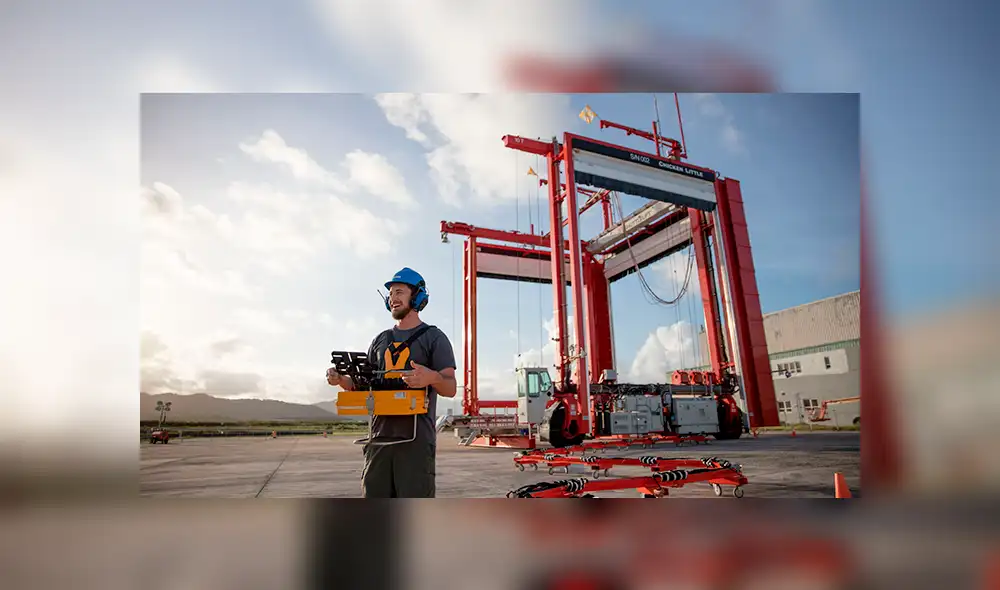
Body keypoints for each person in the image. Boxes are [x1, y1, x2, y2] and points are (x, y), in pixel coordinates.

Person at [326, 267, 457, 498]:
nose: (393, 298)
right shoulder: (380, 340)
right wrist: (341, 380)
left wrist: (432, 377)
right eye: (390, 294)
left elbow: (450, 387)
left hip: (415, 445)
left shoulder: (434, 337)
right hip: (378, 441)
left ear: (417, 297)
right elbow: (362, 385)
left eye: (399, 292)